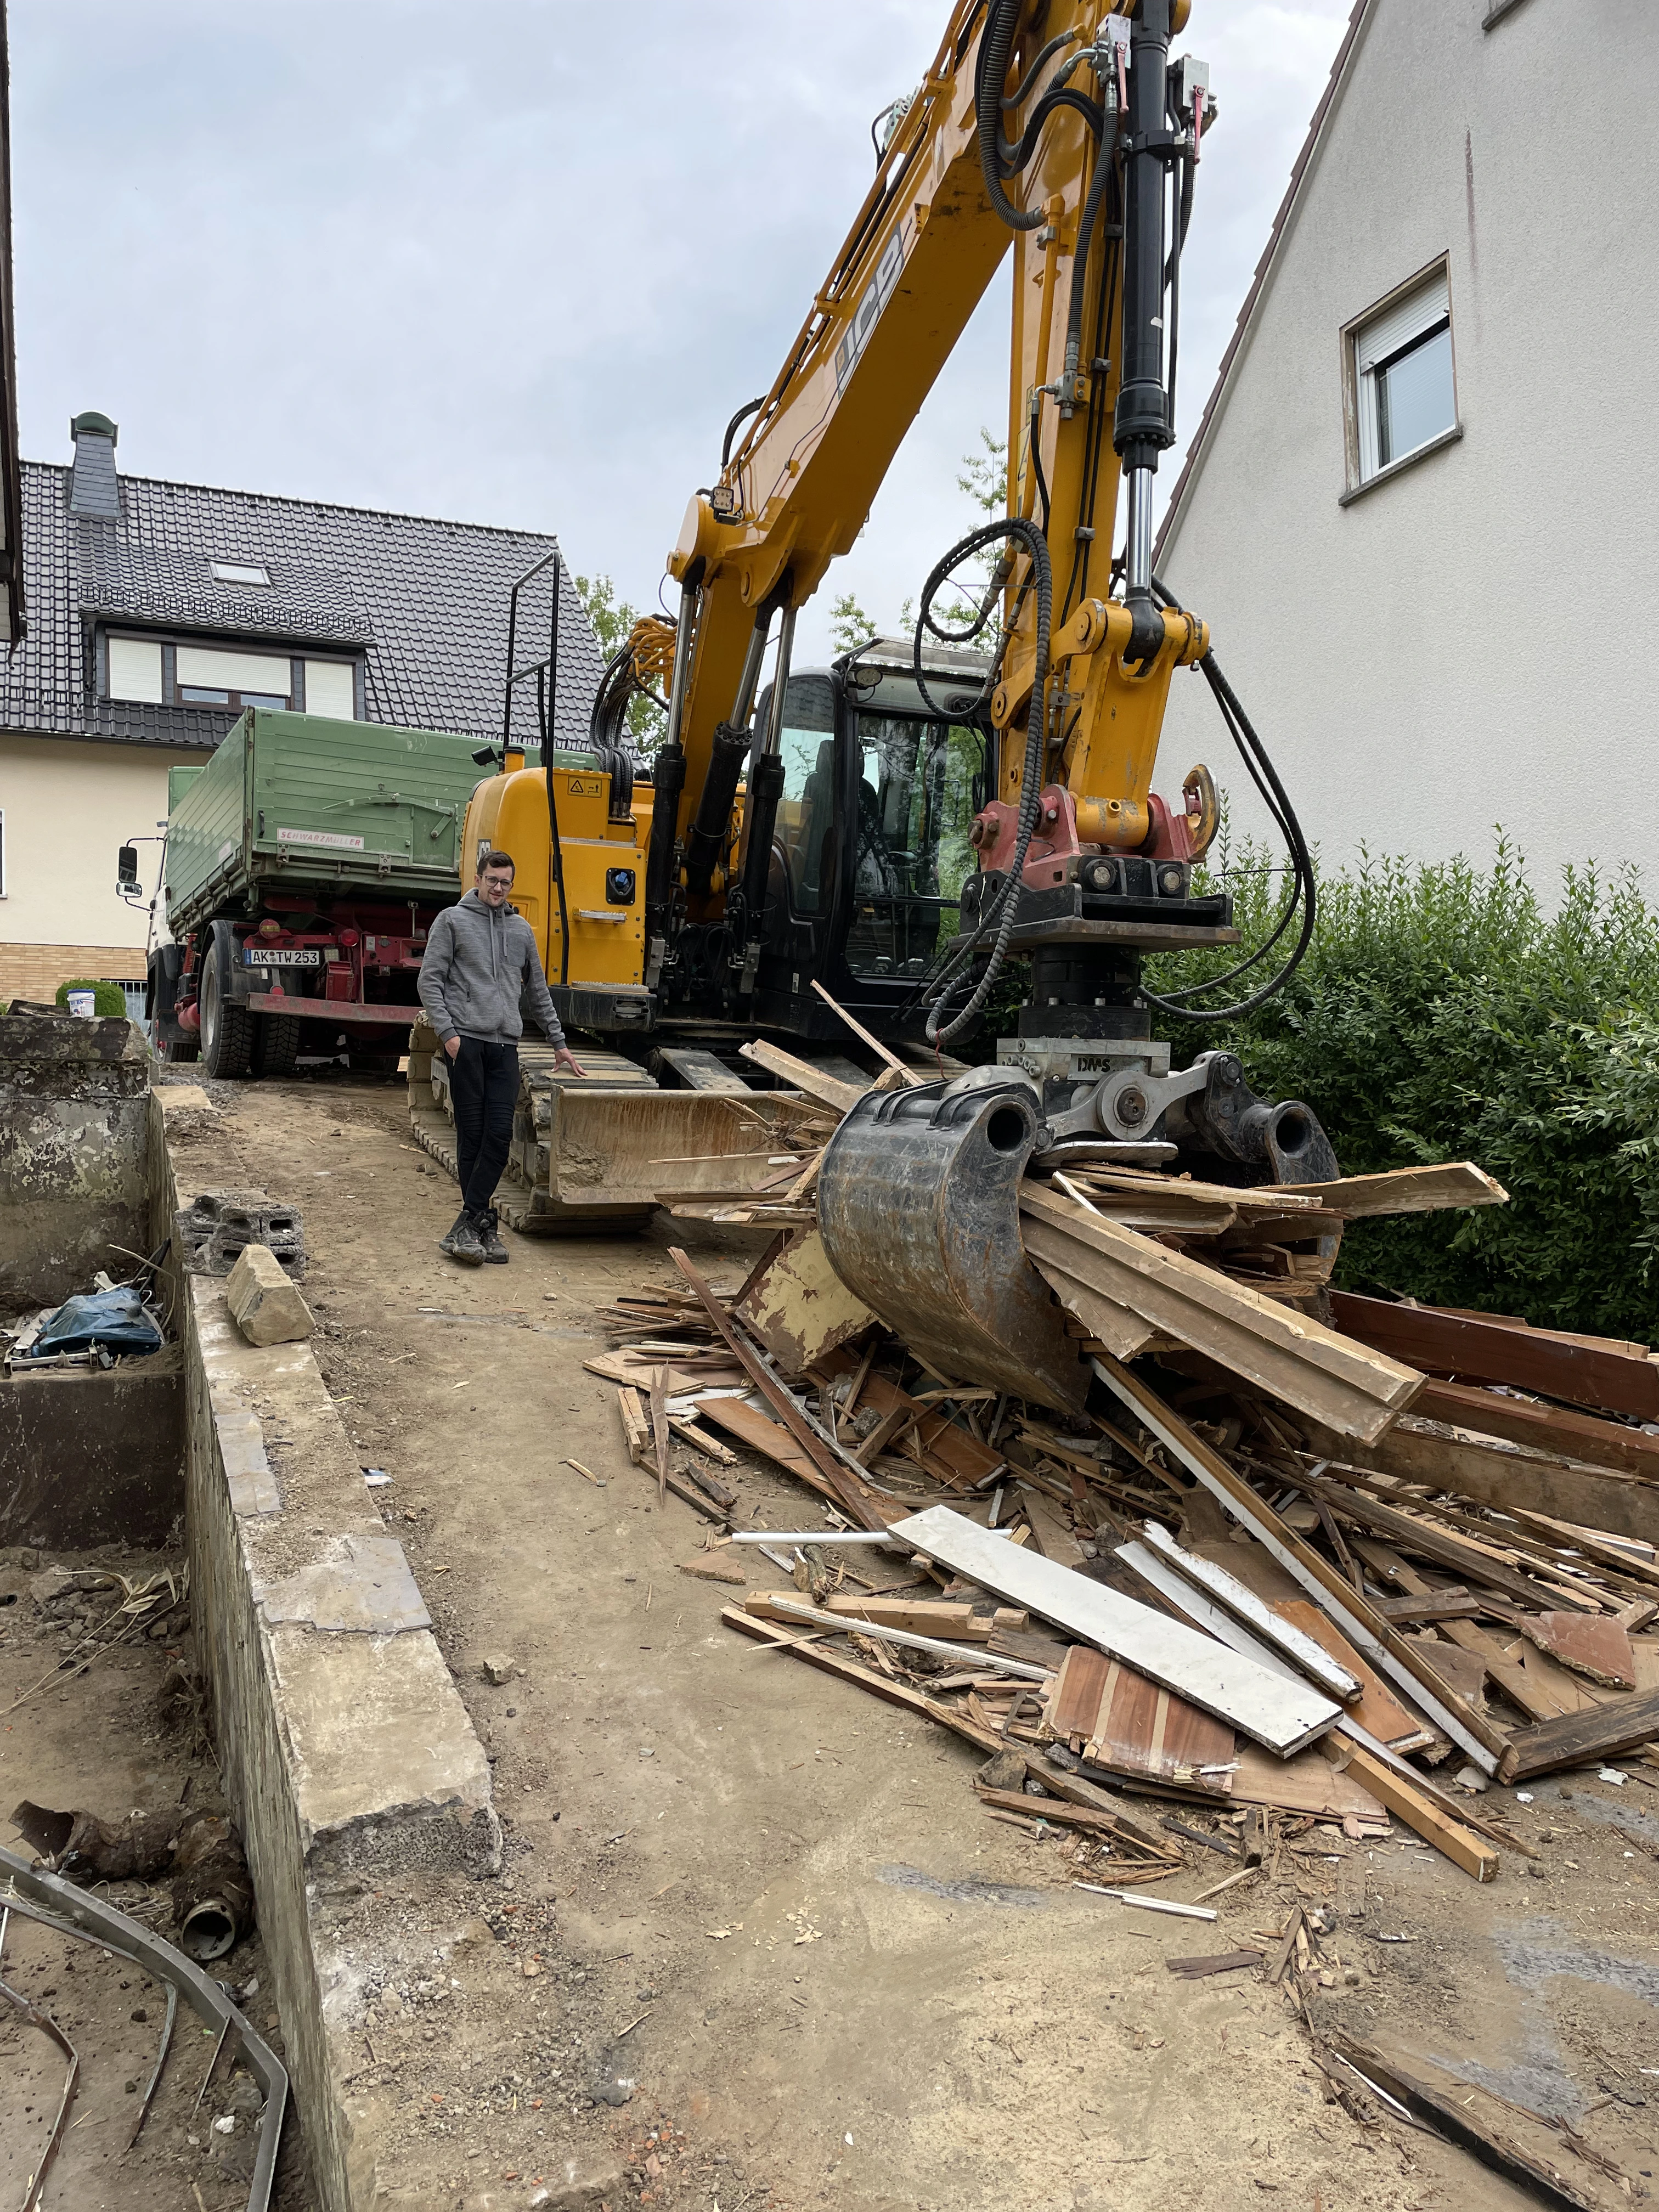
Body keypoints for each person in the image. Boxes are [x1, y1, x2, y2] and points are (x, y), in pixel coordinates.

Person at [418, 849, 584, 1265]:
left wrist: (559, 1043)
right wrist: (449, 1035)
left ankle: (469, 1223)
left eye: (505, 882)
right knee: (472, 1135)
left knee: (498, 1134)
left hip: (505, 1046)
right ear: (478, 879)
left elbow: (538, 991)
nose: (498, 888)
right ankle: (482, 1224)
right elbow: (429, 981)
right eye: (492, 880)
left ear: (512, 885)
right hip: (466, 1043)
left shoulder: (521, 930)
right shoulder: (452, 921)